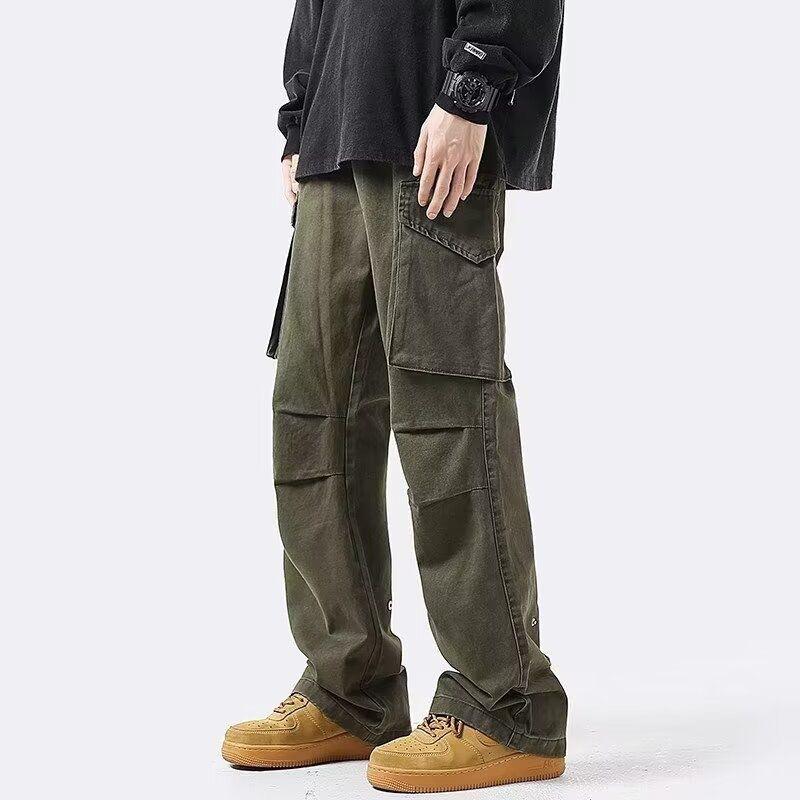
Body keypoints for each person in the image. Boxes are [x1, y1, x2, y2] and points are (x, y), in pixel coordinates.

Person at [222, 0, 568, 792]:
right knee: (313, 415)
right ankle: (352, 688)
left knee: (447, 410)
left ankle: (507, 703)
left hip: (429, 119)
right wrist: (300, 121)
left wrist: (471, 91)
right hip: (336, 129)